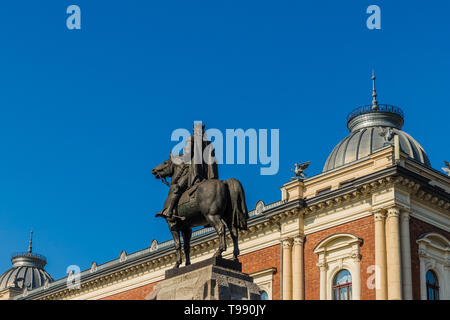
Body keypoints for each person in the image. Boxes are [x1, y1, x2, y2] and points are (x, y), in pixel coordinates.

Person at [156, 123, 218, 220]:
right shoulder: (209, 143)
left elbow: (187, 156)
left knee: (176, 188)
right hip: (207, 176)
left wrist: (177, 157)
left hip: (194, 172)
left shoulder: (191, 139)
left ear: (194, 130)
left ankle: (168, 210)